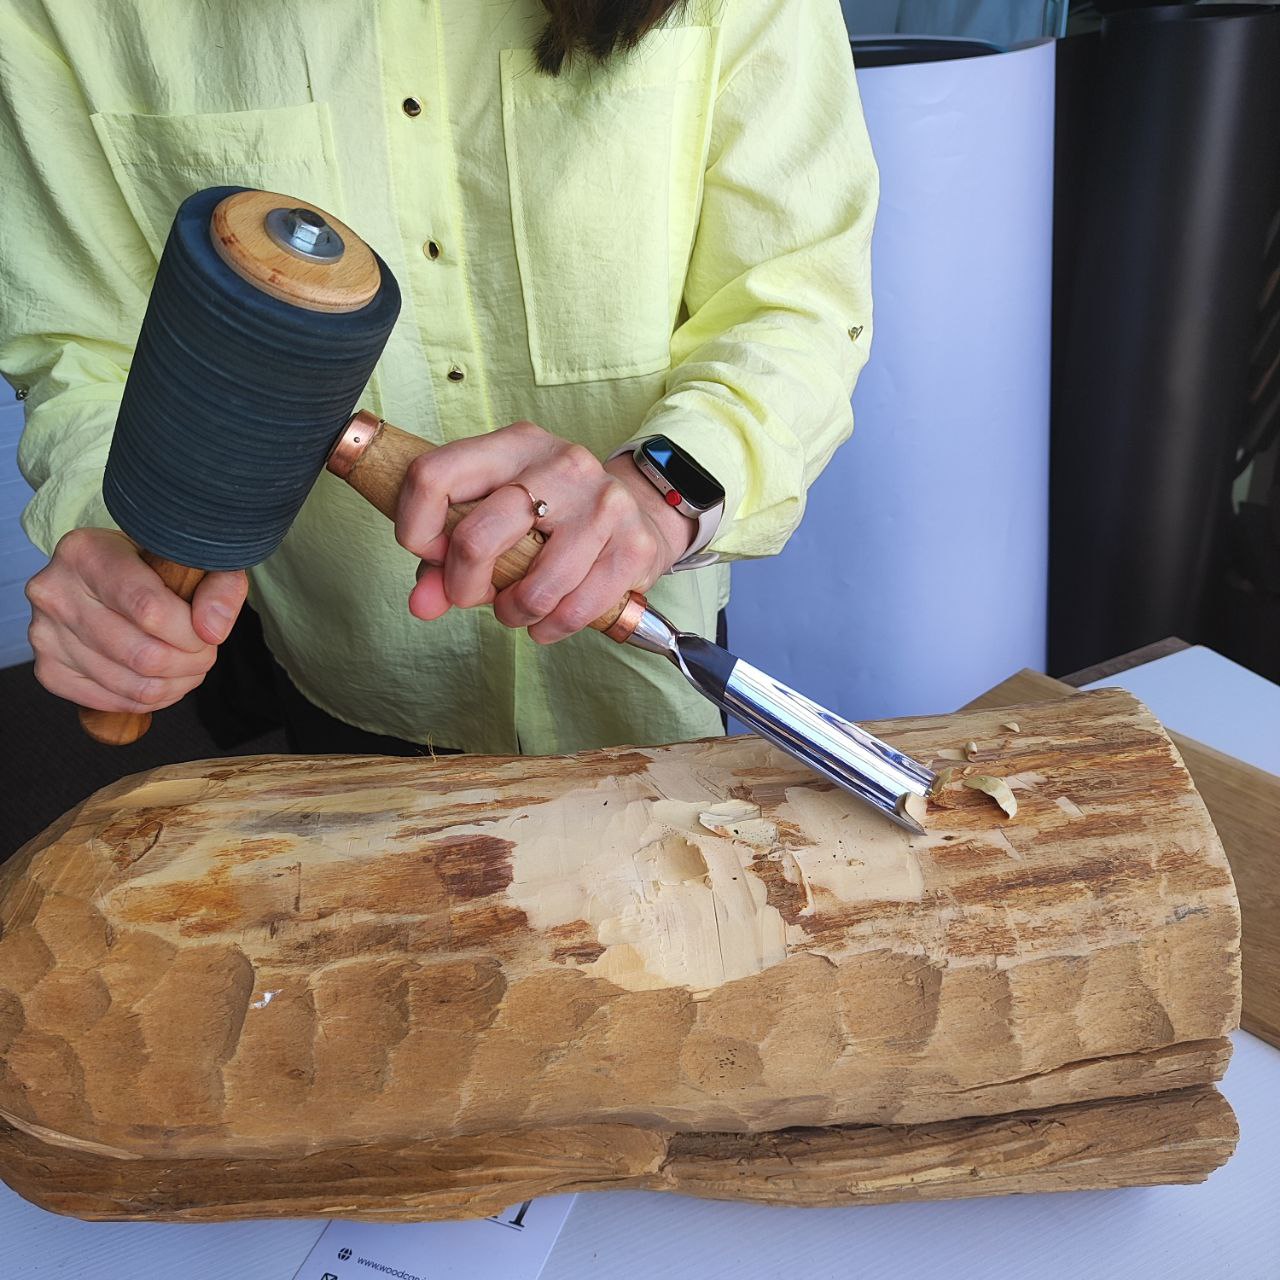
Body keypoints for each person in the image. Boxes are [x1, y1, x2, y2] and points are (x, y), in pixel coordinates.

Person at [2, 0, 878, 757]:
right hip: (341, 680)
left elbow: (795, 297)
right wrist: (104, 541)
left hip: (645, 673)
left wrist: (659, 495)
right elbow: (76, 348)